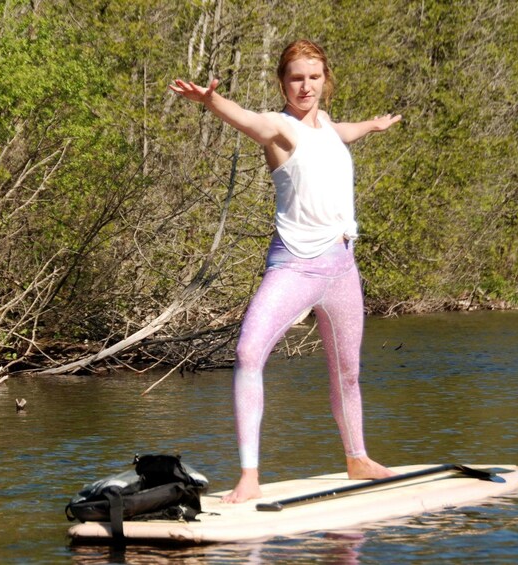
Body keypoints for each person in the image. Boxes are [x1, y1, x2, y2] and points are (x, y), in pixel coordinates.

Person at [169, 39, 402, 503]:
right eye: (296, 77)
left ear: (326, 80)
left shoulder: (330, 128)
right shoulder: (280, 128)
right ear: (282, 82)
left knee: (348, 372)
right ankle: (250, 474)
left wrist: (374, 126)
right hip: (294, 265)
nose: (305, 86)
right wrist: (212, 100)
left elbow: (344, 133)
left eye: (314, 77)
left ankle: (357, 458)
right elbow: (249, 120)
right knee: (249, 352)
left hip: (342, 269)